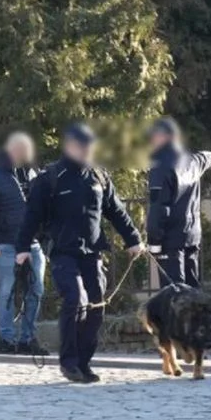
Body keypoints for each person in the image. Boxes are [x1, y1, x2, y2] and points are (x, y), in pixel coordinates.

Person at [15, 123, 144, 383]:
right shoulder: (50, 178)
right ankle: (69, 362)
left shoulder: (99, 177)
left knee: (96, 306)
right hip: (63, 252)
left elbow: (116, 211)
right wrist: (22, 248)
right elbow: (32, 216)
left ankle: (84, 363)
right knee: (76, 299)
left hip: (92, 253)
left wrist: (133, 239)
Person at [0, 131, 49, 356]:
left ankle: (28, 339)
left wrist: (45, 238)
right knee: (7, 293)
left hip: (34, 243)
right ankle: (6, 340)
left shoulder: (32, 174)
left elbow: (42, 207)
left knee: (36, 290)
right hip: (6, 243)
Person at [146, 117, 211, 288]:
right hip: (191, 236)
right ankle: (197, 315)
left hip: (170, 240)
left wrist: (154, 245)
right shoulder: (193, 161)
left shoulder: (160, 168)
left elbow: (158, 208)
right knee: (192, 290)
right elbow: (208, 157)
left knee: (174, 294)